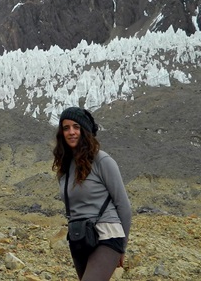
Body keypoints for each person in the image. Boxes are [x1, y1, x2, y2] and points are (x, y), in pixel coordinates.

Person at [52, 107, 132, 281]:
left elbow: (123, 205)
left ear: (85, 131)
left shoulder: (102, 160)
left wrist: (122, 247)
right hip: (80, 237)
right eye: (66, 128)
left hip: (107, 235)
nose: (71, 132)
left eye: (76, 127)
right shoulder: (64, 169)